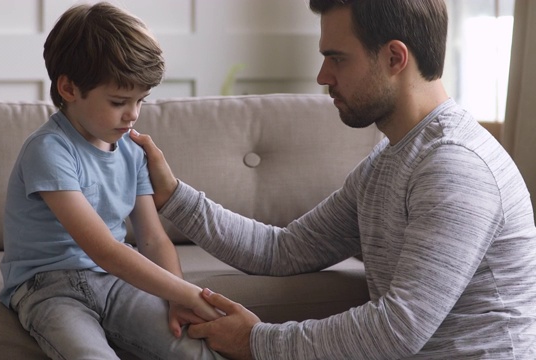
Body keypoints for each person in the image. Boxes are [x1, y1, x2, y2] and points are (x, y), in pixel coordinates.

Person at [129, 0, 536, 359]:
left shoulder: (455, 166)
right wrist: (174, 197)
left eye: (337, 58)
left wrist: (255, 342)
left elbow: (399, 327)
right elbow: (282, 249)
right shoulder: (388, 159)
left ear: (395, 58)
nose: (323, 76)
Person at [0, 3, 225, 359]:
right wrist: (188, 294)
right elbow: (103, 249)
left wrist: (176, 296)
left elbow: (151, 238)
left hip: (117, 283)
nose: (133, 114)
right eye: (119, 101)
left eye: (141, 100)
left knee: (194, 351)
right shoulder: (48, 150)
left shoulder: (132, 151)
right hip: (48, 288)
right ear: (69, 88)